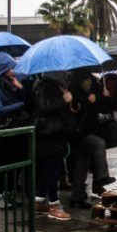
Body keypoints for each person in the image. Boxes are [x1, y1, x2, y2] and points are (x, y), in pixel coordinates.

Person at [0, 52, 29, 208]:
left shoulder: (10, 84)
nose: (13, 72)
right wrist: (21, 105)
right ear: (3, 69)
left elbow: (23, 99)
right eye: (10, 69)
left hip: (9, 132)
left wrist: (21, 89)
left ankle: (8, 196)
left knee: (10, 166)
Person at [67, 70, 113, 208]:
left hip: (86, 131)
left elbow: (99, 108)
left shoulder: (90, 92)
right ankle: (102, 177)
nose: (89, 83)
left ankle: (77, 197)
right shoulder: (73, 92)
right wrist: (87, 102)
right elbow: (74, 110)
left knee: (82, 165)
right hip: (78, 133)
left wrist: (104, 96)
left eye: (90, 80)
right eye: (86, 80)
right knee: (99, 143)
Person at [32, 72, 74, 220]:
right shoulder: (45, 87)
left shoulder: (57, 86)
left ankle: (39, 200)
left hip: (56, 133)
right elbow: (44, 107)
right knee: (53, 171)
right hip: (49, 134)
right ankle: (54, 205)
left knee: (49, 169)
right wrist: (63, 100)